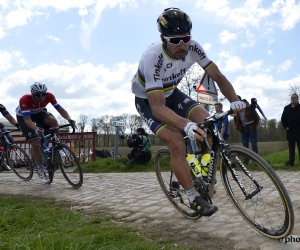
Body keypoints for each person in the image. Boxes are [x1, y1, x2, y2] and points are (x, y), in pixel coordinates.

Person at [131, 7, 245, 217]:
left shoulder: (193, 47)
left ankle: (200, 171)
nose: (182, 45)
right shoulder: (152, 57)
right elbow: (157, 107)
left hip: (172, 93)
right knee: (177, 142)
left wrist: (235, 100)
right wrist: (185, 124)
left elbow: (217, 76)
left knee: (208, 122)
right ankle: (192, 196)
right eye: (175, 40)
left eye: (185, 38)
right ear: (163, 38)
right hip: (148, 100)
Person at [16, 82, 76, 183]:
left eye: (43, 94)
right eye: (38, 95)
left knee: (53, 121)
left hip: (39, 112)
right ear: (32, 94)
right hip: (24, 116)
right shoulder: (25, 99)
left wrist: (69, 119)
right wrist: (36, 129)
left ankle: (57, 145)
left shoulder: (50, 96)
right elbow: (27, 120)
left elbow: (60, 109)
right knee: (35, 144)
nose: (41, 97)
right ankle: (39, 169)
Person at [234, 95, 260, 164]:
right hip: (243, 129)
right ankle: (246, 162)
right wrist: (238, 127)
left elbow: (257, 118)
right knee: (245, 146)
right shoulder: (235, 110)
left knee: (254, 145)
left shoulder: (248, 106)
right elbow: (236, 120)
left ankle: (255, 162)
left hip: (252, 128)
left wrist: (253, 126)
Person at [281, 93, 300, 166]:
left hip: (299, 131)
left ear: (297, 99)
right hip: (290, 132)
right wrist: (286, 127)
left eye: (294, 97)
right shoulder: (286, 108)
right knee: (291, 149)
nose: (293, 99)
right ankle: (291, 163)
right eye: (292, 97)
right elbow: (283, 119)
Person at [0, 104, 20, 171]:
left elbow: (10, 118)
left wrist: (18, 125)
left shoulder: (1, 106)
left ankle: (3, 161)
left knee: (9, 141)